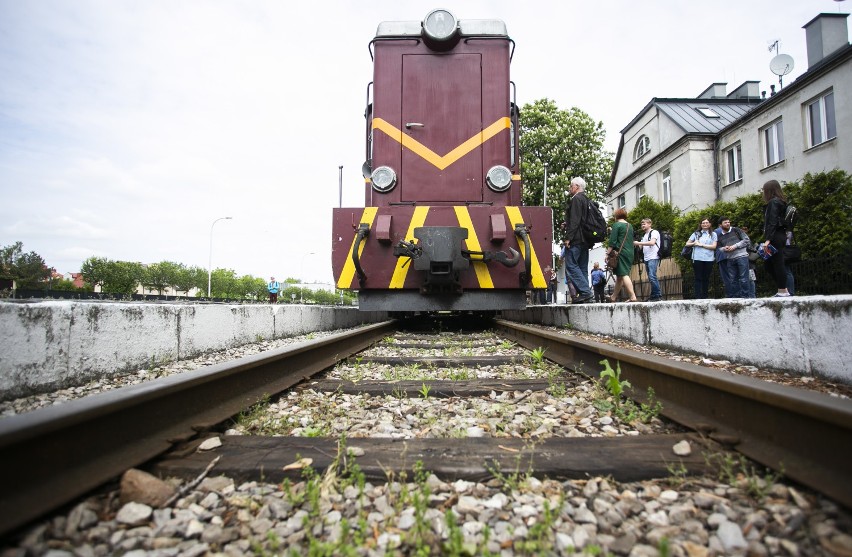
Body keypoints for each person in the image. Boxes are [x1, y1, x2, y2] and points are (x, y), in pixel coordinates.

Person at [562, 177, 594, 303]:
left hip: (576, 239)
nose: (570, 188)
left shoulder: (576, 199)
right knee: (582, 267)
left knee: (571, 266)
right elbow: (581, 219)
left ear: (576, 186)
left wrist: (568, 238)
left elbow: (575, 220)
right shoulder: (586, 199)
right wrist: (567, 223)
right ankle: (587, 297)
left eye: (571, 186)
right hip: (585, 239)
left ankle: (586, 292)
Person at [761, 180, 791, 297]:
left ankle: (782, 290)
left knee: (777, 263)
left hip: (775, 236)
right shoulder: (781, 202)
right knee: (768, 264)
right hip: (780, 235)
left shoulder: (773, 202)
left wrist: (768, 239)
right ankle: (783, 289)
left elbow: (772, 222)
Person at [606, 208, 637, 302]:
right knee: (619, 276)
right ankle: (613, 297)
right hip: (630, 252)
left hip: (621, 252)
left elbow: (612, 242)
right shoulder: (629, 225)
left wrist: (607, 254)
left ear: (616, 216)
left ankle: (632, 297)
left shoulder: (616, 225)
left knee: (623, 274)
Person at [715, 217, 751, 298]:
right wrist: (724, 248)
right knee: (733, 279)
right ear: (720, 225)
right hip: (730, 258)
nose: (727, 224)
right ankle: (736, 297)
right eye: (725, 222)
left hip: (741, 256)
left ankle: (745, 297)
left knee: (744, 278)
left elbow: (746, 240)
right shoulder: (719, 236)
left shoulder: (736, 230)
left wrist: (735, 246)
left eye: (728, 222)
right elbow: (719, 248)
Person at [685, 217, 718, 299]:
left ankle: (705, 296)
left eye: (707, 223)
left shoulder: (713, 234)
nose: (705, 224)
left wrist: (702, 245)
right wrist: (694, 243)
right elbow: (687, 244)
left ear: (710, 224)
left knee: (706, 277)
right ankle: (698, 296)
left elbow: (714, 246)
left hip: (708, 258)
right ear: (700, 224)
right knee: (698, 277)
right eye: (703, 223)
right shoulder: (696, 233)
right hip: (697, 258)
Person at [633, 218, 662, 301]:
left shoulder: (654, 232)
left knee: (652, 276)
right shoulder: (645, 235)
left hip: (653, 257)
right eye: (642, 224)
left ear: (650, 224)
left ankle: (657, 295)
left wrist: (639, 243)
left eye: (644, 224)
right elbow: (640, 247)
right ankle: (654, 295)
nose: (642, 225)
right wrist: (635, 242)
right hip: (646, 258)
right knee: (650, 277)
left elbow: (652, 243)